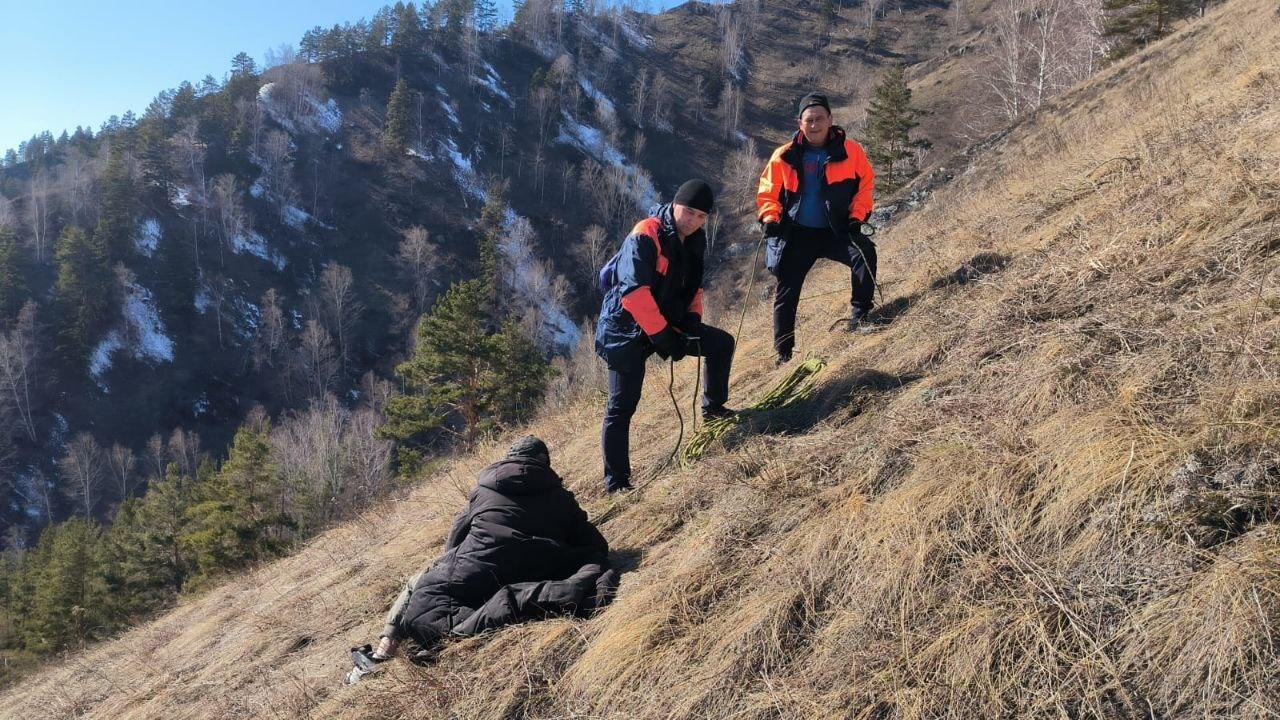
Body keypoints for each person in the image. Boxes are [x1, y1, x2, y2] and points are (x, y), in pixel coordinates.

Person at [346, 436, 617, 683]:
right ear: (544, 463)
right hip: (537, 571)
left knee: (420, 583)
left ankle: (383, 652)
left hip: (476, 573)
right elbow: (595, 544)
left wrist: (454, 562)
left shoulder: (483, 491)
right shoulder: (560, 497)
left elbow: (455, 537)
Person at [594, 180, 736, 494]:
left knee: (721, 344)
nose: (693, 220)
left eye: (701, 216)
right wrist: (664, 338)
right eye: (688, 211)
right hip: (625, 330)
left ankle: (714, 410)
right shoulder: (646, 233)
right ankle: (616, 482)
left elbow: (694, 287)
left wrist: (693, 320)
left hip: (666, 323)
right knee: (621, 406)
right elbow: (634, 294)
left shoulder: (695, 241)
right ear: (674, 205)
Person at [756, 92, 877, 366]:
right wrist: (770, 218)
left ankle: (860, 315)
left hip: (836, 230)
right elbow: (767, 193)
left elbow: (866, 185)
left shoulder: (851, 150)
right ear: (800, 123)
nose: (814, 125)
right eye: (809, 120)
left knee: (864, 254)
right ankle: (784, 353)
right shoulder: (784, 156)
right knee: (786, 288)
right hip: (798, 233)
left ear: (830, 120)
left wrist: (857, 217)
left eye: (820, 118)